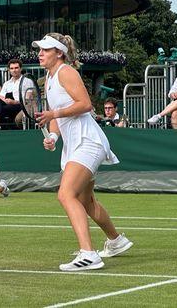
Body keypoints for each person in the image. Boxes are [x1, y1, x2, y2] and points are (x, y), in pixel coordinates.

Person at [33, 33, 133, 271]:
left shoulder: (67, 72)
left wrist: (52, 115)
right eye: (39, 50)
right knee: (86, 201)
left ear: (59, 53)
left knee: (65, 194)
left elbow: (85, 104)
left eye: (45, 49)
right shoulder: (49, 77)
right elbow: (56, 111)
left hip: (88, 141)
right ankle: (116, 241)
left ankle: (89, 255)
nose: (40, 53)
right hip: (74, 145)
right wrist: (54, 136)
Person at [0, 59, 31, 130]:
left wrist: (14, 102)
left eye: (16, 68)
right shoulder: (7, 83)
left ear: (21, 69)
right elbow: (1, 97)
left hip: (21, 106)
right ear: (9, 70)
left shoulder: (27, 81)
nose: (14, 70)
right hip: (9, 105)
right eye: (12, 68)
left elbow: (28, 99)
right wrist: (6, 101)